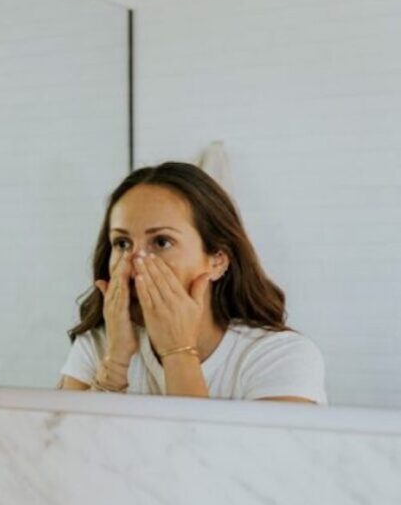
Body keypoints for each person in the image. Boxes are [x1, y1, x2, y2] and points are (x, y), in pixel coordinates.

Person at [61, 162, 327, 403]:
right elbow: (58, 452)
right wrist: (114, 366)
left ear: (217, 261)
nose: (134, 263)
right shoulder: (99, 345)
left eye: (162, 242)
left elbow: (208, 456)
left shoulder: (281, 357)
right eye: (122, 243)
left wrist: (178, 352)